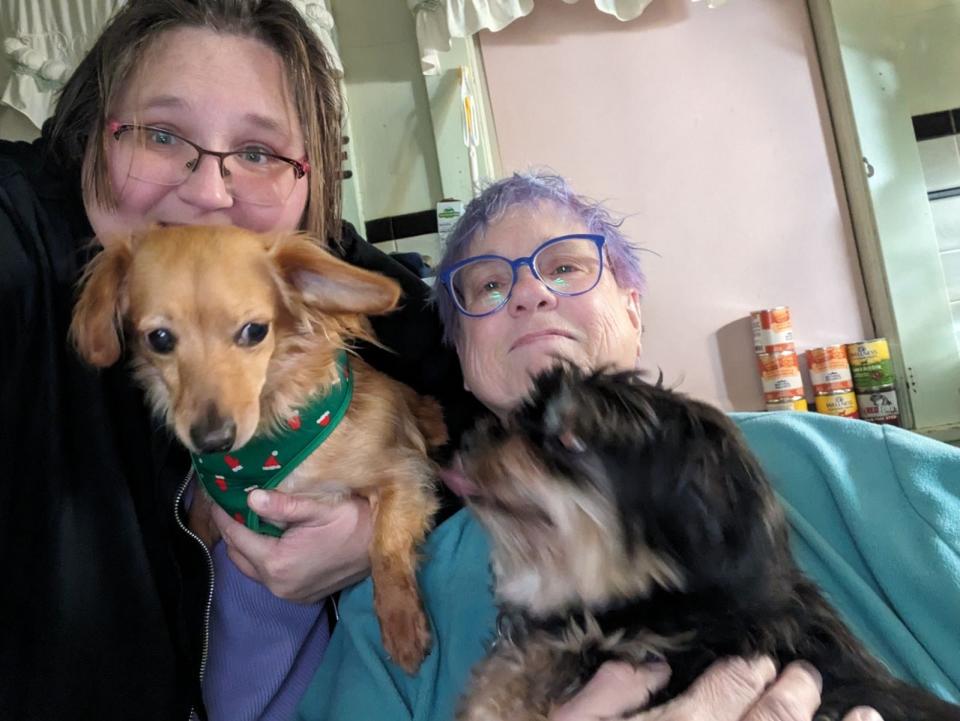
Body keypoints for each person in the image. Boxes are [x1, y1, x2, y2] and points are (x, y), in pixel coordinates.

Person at [297, 173, 960, 721]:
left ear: (633, 306)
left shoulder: (854, 465)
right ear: (461, 353)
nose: (530, 292)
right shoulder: (395, 600)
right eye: (489, 285)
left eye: (566, 266)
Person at [0, 1, 478, 719]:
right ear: (90, 130)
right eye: (162, 134)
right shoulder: (22, 235)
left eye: (257, 152)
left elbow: (499, 395)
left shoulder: (296, 259)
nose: (208, 192)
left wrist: (376, 538)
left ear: (307, 178)